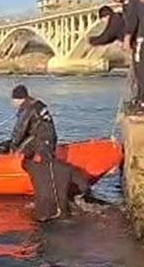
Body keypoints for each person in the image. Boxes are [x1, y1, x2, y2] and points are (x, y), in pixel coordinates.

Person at [9, 85, 90, 221]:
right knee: (42, 161)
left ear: (19, 99)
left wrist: (13, 147)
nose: (12, 103)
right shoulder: (36, 105)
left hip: (42, 140)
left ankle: (51, 192)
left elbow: (20, 130)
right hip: (46, 138)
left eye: (13, 100)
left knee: (47, 166)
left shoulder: (28, 109)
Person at [107, 0, 144, 115]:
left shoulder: (128, 0)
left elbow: (131, 21)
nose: (112, 0)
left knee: (140, 68)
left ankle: (142, 102)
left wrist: (127, 39)